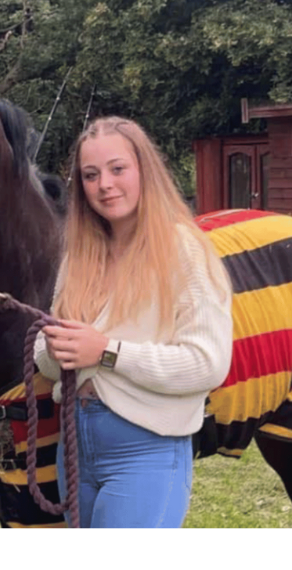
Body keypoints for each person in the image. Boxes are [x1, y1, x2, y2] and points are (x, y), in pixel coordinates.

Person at [33, 116, 233, 528]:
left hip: (145, 451)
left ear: (145, 170)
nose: (104, 184)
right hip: (74, 449)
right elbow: (48, 361)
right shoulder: (79, 256)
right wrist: (55, 348)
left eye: (117, 169)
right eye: (91, 175)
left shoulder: (184, 250)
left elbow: (207, 363)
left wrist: (106, 352)